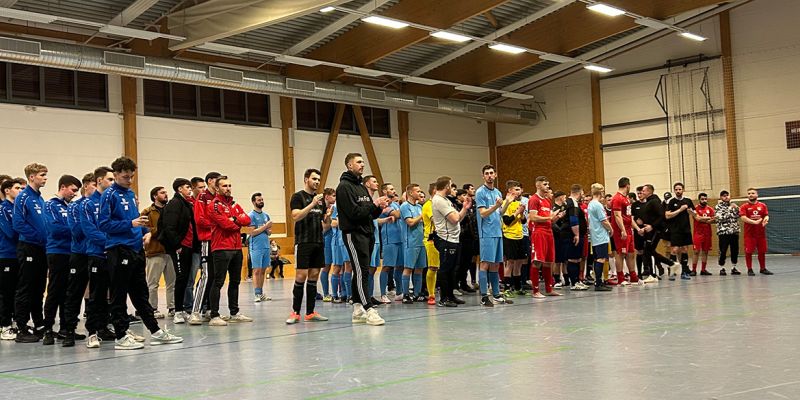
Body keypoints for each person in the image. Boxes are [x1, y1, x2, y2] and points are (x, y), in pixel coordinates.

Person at [99, 157, 182, 349]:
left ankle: (155, 331)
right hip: (118, 249)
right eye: (125, 177)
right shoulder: (109, 195)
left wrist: (145, 232)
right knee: (119, 294)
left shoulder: (130, 193)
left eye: (132, 176)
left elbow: (136, 219)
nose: (129, 180)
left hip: (135, 249)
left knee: (141, 293)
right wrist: (130, 224)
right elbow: (103, 224)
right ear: (116, 174)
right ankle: (121, 336)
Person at [335, 153, 389, 326]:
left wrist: (379, 208)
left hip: (367, 233)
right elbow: (354, 213)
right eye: (358, 162)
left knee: (362, 270)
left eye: (363, 162)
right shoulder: (343, 187)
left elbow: (369, 214)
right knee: (361, 271)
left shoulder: (361, 187)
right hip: (353, 234)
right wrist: (374, 204)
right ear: (349, 165)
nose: (362, 164)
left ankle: (358, 309)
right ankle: (369, 308)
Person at [207, 175, 253, 326]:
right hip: (221, 248)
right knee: (218, 281)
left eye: (229, 185)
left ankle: (234, 312)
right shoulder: (214, 205)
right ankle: (214, 315)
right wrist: (237, 222)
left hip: (237, 247)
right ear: (217, 188)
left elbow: (247, 220)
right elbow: (226, 225)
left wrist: (234, 219)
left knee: (235, 281)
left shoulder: (235, 204)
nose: (228, 188)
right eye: (224, 186)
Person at [286, 168, 330, 324]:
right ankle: (295, 312)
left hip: (318, 241)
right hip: (303, 242)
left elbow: (325, 223)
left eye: (318, 179)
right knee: (301, 276)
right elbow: (296, 216)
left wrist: (328, 217)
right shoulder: (298, 197)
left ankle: (310, 312)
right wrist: (312, 204)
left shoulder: (321, 200)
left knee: (314, 276)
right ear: (306, 180)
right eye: (314, 179)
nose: (317, 182)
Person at [41, 175, 81, 345]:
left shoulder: (71, 206)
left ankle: (66, 328)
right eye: (73, 190)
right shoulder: (50, 205)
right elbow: (55, 228)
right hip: (57, 252)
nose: (75, 194)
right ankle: (48, 329)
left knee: (69, 292)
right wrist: (75, 229)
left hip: (71, 252)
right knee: (55, 291)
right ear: (63, 187)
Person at [12, 163, 49, 343]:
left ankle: (39, 323)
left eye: (45, 175)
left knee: (39, 287)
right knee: (26, 287)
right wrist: (38, 237)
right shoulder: (23, 197)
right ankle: (21, 327)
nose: (45, 178)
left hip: (41, 248)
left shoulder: (39, 198)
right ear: (32, 177)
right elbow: (18, 224)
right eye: (42, 175)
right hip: (28, 247)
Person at [83, 167, 116, 348]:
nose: (112, 183)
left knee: (110, 294)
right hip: (96, 254)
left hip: (112, 254)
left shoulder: (112, 201)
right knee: (96, 294)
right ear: (99, 181)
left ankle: (104, 327)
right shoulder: (88, 203)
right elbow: (90, 231)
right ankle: (92, 332)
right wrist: (110, 242)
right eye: (110, 179)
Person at [159, 178, 199, 325]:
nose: (190, 190)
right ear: (179, 189)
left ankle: (183, 310)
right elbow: (169, 227)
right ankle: (177, 311)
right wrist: (177, 245)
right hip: (179, 247)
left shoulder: (187, 204)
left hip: (189, 246)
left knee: (186, 278)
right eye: (187, 187)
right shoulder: (174, 204)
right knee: (181, 278)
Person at [475, 165, 512, 307]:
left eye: (491, 173)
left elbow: (500, 212)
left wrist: (507, 203)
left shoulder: (497, 192)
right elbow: (483, 213)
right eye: (487, 173)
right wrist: (496, 206)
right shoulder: (480, 192)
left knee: (496, 265)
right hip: (487, 233)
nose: (489, 175)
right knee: (485, 264)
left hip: (497, 232)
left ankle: (496, 294)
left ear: (495, 175)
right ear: (483, 176)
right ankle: (484, 296)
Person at [431, 176, 471, 307]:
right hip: (446, 239)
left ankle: (450, 295)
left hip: (453, 238)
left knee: (453, 269)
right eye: (451, 185)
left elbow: (458, 218)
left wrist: (464, 208)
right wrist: (462, 210)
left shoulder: (446, 200)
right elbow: (454, 219)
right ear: (446, 186)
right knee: (445, 269)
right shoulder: (439, 200)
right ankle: (444, 298)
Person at [188, 172, 221, 325]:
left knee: (216, 277)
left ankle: (209, 309)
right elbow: (200, 219)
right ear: (210, 181)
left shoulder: (220, 199)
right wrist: (219, 223)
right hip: (207, 240)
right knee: (206, 275)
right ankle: (195, 312)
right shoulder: (202, 197)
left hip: (219, 241)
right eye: (218, 181)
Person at [141, 186, 175, 320]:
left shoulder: (171, 210)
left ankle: (172, 307)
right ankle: (152, 308)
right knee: (153, 283)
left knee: (172, 282)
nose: (166, 194)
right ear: (155, 196)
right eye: (162, 193)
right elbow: (144, 229)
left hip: (170, 251)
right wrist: (158, 231)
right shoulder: (147, 212)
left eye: (166, 192)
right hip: (155, 251)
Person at [528, 176, 563, 298]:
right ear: (538, 185)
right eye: (545, 184)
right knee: (537, 261)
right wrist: (549, 217)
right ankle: (535, 291)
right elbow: (533, 217)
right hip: (539, 232)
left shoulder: (547, 200)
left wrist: (556, 217)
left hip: (549, 232)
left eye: (548, 184)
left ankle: (549, 289)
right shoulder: (534, 199)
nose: (547, 186)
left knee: (549, 261)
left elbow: (550, 220)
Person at [638, 184, 681, 280]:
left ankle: (669, 265)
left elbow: (662, 215)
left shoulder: (655, 201)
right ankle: (659, 270)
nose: (642, 192)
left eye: (643, 191)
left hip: (656, 231)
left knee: (648, 251)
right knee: (648, 251)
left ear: (649, 191)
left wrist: (652, 226)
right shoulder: (649, 201)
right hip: (650, 230)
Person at [0, 177, 25, 341]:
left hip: (19, 254)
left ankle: (17, 322)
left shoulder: (18, 208)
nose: (21, 191)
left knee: (18, 290)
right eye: (17, 188)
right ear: (7, 191)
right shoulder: (3, 209)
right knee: (6, 291)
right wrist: (26, 233)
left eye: (22, 188)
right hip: (6, 254)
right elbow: (10, 232)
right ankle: (4, 325)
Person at [400, 184, 427, 304]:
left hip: (421, 241)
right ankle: (405, 294)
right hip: (410, 241)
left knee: (419, 268)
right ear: (410, 193)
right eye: (418, 191)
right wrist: (421, 216)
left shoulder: (419, 206)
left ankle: (417, 293)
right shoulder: (405, 206)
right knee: (408, 268)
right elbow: (410, 222)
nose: (420, 193)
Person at [611, 177, 640, 287]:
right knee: (621, 253)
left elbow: (628, 217)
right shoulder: (617, 198)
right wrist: (622, 230)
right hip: (620, 230)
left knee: (631, 253)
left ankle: (633, 277)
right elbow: (617, 216)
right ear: (627, 186)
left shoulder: (626, 199)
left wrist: (637, 229)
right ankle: (620, 278)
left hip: (629, 230)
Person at [501, 180, 527, 297]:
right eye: (516, 189)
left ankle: (518, 287)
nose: (519, 191)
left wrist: (522, 213)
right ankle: (507, 288)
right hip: (509, 236)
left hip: (519, 235)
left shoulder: (518, 203)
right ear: (510, 191)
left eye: (519, 189)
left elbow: (523, 221)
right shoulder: (505, 204)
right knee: (510, 263)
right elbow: (507, 221)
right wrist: (517, 212)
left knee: (519, 262)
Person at [379, 183, 404, 301]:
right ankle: (383, 294)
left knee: (400, 266)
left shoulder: (395, 204)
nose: (394, 191)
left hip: (400, 238)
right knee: (387, 266)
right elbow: (397, 214)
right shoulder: (383, 204)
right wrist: (407, 205)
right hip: (390, 239)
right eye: (391, 189)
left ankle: (399, 292)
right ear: (385, 191)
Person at [562, 185, 589, 290]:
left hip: (574, 234)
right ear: (580, 192)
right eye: (582, 193)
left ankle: (577, 281)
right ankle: (574, 283)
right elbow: (573, 219)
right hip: (571, 235)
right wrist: (576, 234)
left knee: (577, 258)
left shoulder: (570, 202)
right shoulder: (573, 203)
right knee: (573, 259)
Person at [739, 188, 772, 275]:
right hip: (749, 234)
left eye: (753, 193)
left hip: (761, 234)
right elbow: (743, 218)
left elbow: (766, 215)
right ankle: (749, 269)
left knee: (762, 251)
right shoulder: (744, 206)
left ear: (757, 195)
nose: (751, 195)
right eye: (749, 193)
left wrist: (766, 220)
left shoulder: (762, 205)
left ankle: (763, 268)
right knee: (749, 252)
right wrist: (754, 222)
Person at [664, 182, 694, 280]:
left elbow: (694, 213)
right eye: (676, 189)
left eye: (679, 189)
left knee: (684, 249)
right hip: (675, 229)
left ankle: (684, 271)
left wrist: (691, 212)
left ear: (683, 190)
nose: (678, 191)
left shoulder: (688, 201)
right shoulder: (671, 202)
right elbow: (667, 215)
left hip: (686, 229)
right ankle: (672, 271)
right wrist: (680, 210)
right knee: (674, 250)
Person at [587, 184, 613, 291]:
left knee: (597, 259)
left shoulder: (590, 204)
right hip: (600, 235)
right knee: (601, 259)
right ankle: (598, 283)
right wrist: (611, 229)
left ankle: (598, 281)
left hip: (595, 235)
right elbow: (604, 220)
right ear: (600, 192)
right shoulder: (598, 205)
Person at [248, 192, 273, 302]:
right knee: (256, 270)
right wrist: (265, 226)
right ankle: (256, 294)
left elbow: (269, 232)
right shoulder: (251, 216)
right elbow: (252, 232)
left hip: (266, 246)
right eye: (259, 200)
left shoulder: (266, 215)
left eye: (262, 200)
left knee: (263, 270)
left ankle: (261, 293)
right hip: (256, 247)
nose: (261, 201)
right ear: (254, 202)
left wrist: (268, 229)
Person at [715, 190, 740, 275]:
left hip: (734, 231)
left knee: (735, 250)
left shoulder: (733, 205)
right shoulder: (718, 207)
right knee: (723, 250)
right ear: (721, 197)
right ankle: (722, 268)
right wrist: (730, 209)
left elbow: (739, 215)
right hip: (724, 232)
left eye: (727, 195)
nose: (726, 197)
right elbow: (721, 218)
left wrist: (737, 208)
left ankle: (734, 267)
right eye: (724, 196)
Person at [691, 192, 715, 276]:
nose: (704, 200)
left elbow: (714, 220)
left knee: (705, 251)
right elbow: (698, 219)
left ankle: (703, 270)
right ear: (699, 200)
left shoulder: (710, 209)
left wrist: (707, 220)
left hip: (707, 233)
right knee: (696, 251)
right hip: (698, 233)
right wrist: (708, 219)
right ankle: (693, 270)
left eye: (705, 199)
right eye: (702, 199)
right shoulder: (695, 209)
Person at [320, 188, 336, 302]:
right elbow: (324, 228)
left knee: (338, 266)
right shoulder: (322, 209)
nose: (335, 198)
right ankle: (326, 293)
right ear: (326, 197)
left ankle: (338, 292)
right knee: (326, 266)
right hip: (326, 240)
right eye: (333, 196)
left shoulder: (334, 208)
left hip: (334, 239)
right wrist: (330, 218)